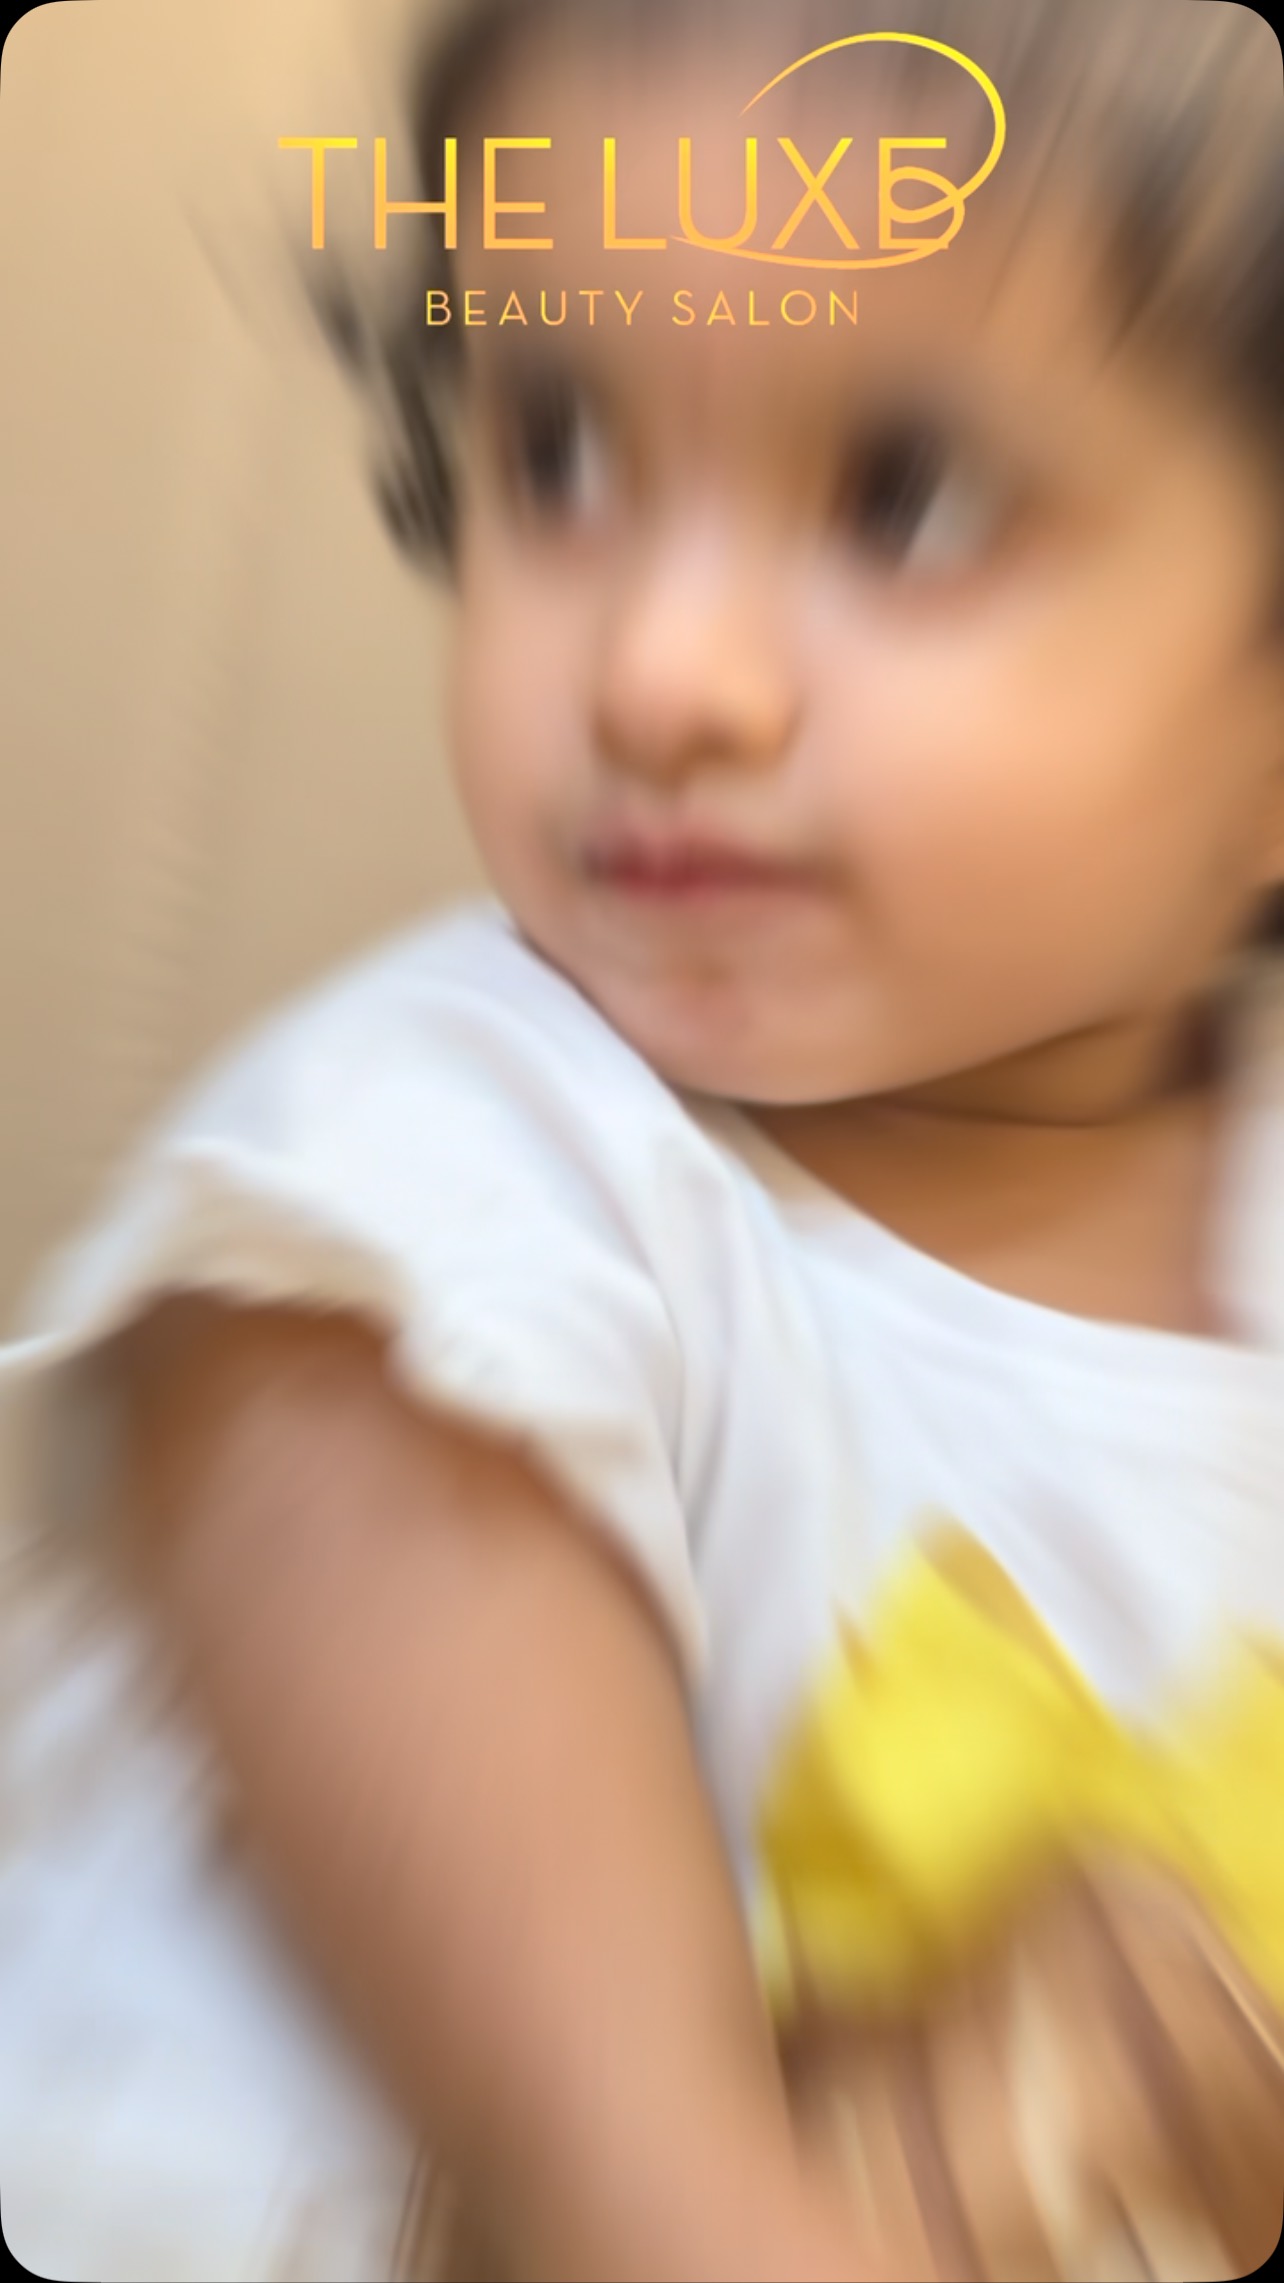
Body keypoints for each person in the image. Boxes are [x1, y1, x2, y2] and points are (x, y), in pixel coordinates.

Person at [2, 2, 1282, 2276]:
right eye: (560, 454)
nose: (659, 669)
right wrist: (739, 2196)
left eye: (906, 496)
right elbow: (631, 2201)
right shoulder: (477, 1153)